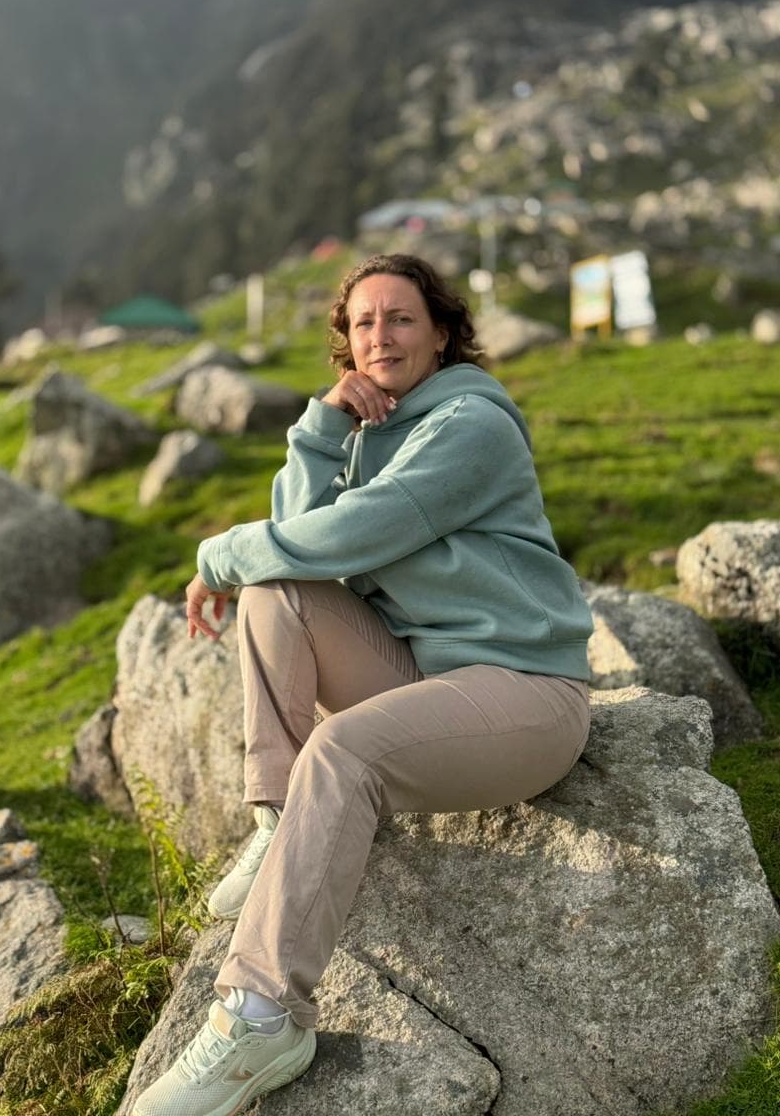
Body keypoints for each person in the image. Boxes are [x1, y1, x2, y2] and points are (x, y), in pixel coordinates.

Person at [132, 254, 593, 1116]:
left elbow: (355, 534)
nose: (380, 336)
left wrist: (215, 556)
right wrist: (320, 429)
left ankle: (262, 1017)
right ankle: (280, 823)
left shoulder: (470, 423)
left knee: (342, 749)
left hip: (525, 692)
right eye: (363, 323)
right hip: (423, 677)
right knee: (276, 594)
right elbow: (294, 543)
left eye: (402, 318)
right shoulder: (370, 424)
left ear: (443, 334)